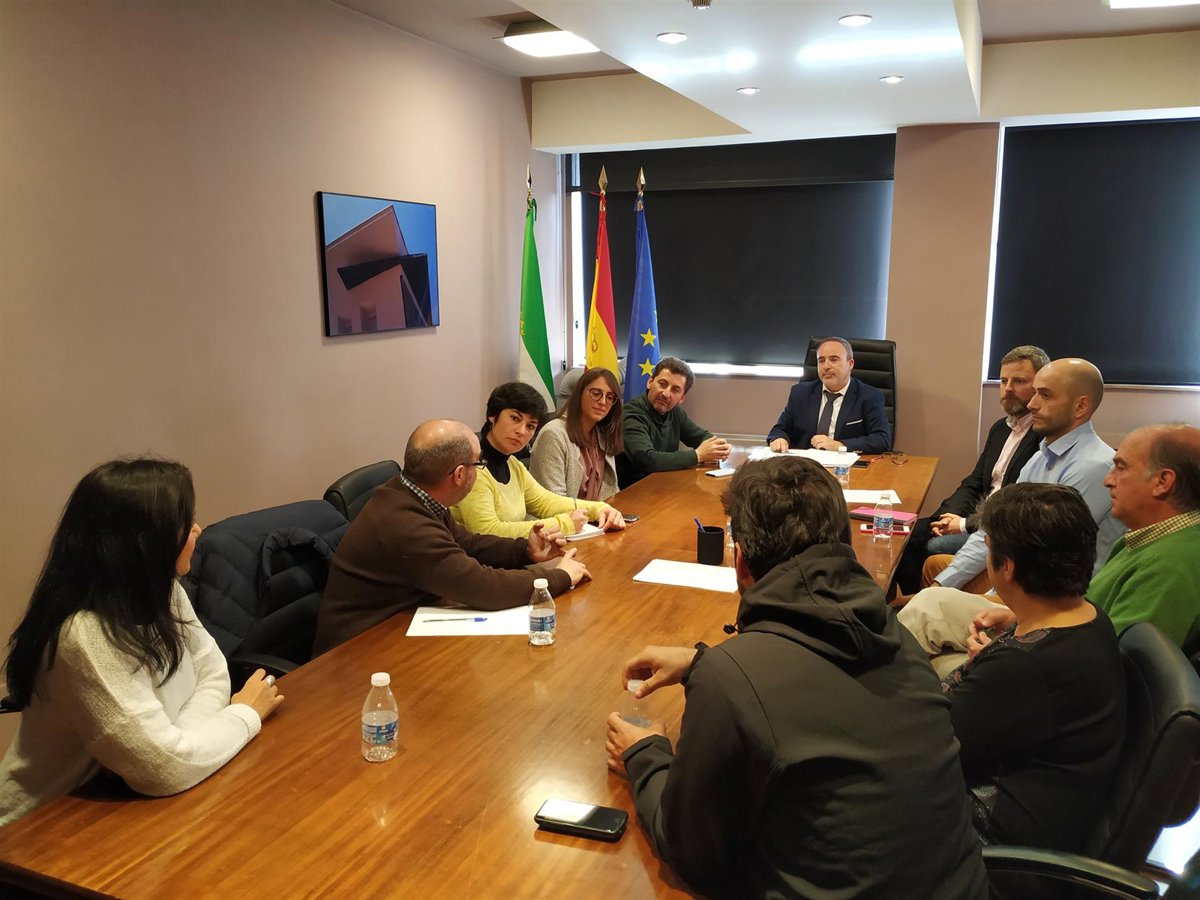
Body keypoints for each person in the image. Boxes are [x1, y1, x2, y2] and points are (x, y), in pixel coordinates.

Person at [603, 456, 987, 900]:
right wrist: (702, 663)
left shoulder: (731, 681)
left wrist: (644, 754)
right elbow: (812, 684)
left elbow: (690, 849)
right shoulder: (897, 635)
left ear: (741, 562)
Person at [0, 459, 283, 827]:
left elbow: (212, 675)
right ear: (143, 543)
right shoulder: (83, 637)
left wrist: (178, 745)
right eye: (184, 524)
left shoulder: (163, 591)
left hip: (127, 804)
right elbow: (163, 769)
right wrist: (243, 715)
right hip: (41, 828)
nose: (197, 530)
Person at [901, 423, 1200, 669]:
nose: (1108, 480)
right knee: (930, 607)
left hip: (1051, 668)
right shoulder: (1147, 537)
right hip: (1050, 632)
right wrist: (1018, 622)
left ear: (1163, 482)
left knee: (925, 663)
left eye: (1121, 468)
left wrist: (1009, 651)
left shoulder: (1172, 566)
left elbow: (1107, 667)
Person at [939, 484, 1125, 860]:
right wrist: (1013, 624)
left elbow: (930, 743)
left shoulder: (1023, 667)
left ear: (1007, 566)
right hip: (1047, 803)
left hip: (991, 849)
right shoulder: (1090, 617)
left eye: (989, 547)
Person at [313, 419, 589, 654]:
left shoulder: (413, 493)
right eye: (478, 464)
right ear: (459, 474)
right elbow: (482, 587)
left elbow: (468, 543)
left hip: (400, 626)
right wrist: (559, 577)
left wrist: (525, 550)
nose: (480, 470)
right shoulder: (407, 525)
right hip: (359, 653)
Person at [920, 357, 1124, 594]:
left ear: (1080, 407)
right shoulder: (1041, 456)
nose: (1032, 404)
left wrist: (984, 601)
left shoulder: (1093, 467)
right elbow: (996, 527)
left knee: (928, 601)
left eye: (1045, 395)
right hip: (1023, 579)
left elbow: (1041, 557)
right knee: (935, 569)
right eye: (1034, 393)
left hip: (1055, 597)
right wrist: (941, 584)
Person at [895, 345, 1047, 593]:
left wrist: (964, 524)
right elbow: (974, 482)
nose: (1008, 388)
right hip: (974, 518)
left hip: (998, 530)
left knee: (930, 547)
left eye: (1019, 381)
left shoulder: (1043, 438)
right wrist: (946, 516)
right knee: (905, 534)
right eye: (1003, 381)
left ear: (1040, 387)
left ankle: (919, 601)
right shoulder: (1001, 428)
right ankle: (910, 603)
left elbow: (1016, 509)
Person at [452, 381, 624, 537]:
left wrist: (598, 508)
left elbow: (545, 502)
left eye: (530, 426)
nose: (521, 431)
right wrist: (563, 524)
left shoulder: (513, 464)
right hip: (478, 559)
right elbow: (487, 532)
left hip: (512, 554)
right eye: (515, 418)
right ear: (492, 415)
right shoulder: (473, 468)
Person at [617, 357, 730, 487]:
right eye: (662, 384)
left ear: (681, 398)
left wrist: (719, 447)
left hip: (664, 485)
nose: (666, 393)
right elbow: (646, 460)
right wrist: (697, 456)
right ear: (650, 382)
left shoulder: (675, 412)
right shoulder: (631, 413)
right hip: (633, 491)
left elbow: (700, 437)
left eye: (675, 389)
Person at [767, 336, 891, 454]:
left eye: (834, 359)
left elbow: (882, 439)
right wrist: (778, 438)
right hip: (805, 464)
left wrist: (839, 445)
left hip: (845, 465)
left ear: (850, 364)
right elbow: (780, 429)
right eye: (821, 361)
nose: (826, 366)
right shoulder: (800, 393)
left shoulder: (869, 396)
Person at [530, 367, 623, 502]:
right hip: (562, 515)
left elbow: (611, 490)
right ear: (579, 394)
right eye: (596, 393)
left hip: (598, 513)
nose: (603, 402)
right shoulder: (553, 434)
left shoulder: (602, 435)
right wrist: (597, 510)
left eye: (609, 397)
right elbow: (555, 502)